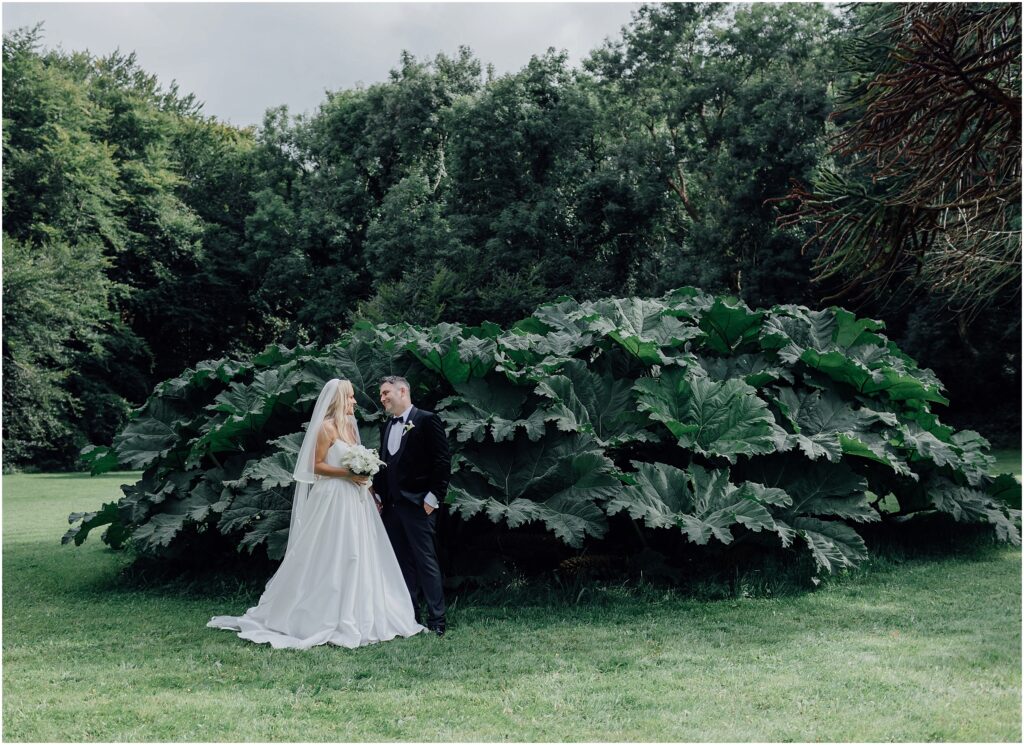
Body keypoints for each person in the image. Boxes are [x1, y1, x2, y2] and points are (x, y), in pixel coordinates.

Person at [208, 379, 424, 649]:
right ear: (339, 400)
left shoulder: (350, 428)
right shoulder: (326, 428)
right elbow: (315, 466)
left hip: (356, 499)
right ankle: (320, 612)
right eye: (351, 398)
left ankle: (360, 611)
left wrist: (369, 490)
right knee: (330, 551)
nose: (355, 402)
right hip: (332, 497)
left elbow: (361, 468)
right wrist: (348, 473)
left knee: (358, 552)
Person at [372, 375, 451, 636]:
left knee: (426, 561)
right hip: (392, 507)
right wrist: (380, 497)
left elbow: (442, 461)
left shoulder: (427, 420)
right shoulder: (386, 426)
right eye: (381, 394)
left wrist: (432, 499)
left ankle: (437, 620)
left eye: (386, 393)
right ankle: (410, 616)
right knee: (401, 563)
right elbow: (385, 466)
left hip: (419, 505)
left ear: (402, 390)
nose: (382, 398)